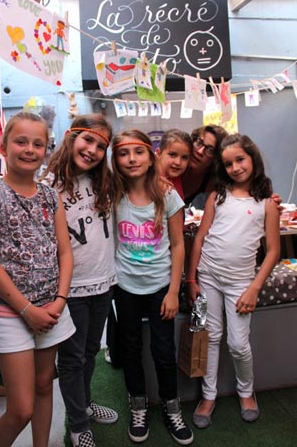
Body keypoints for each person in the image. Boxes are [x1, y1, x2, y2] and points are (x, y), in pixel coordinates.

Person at [0, 112, 75, 447]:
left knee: (44, 385)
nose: (29, 149)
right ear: (4, 146)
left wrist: (60, 301)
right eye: (21, 141)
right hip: (12, 313)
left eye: (38, 144)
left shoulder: (51, 197)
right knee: (20, 408)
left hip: (51, 309)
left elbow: (65, 252)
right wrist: (25, 310)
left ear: (46, 150)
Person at [186, 134, 280, 429]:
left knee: (238, 344)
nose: (235, 167)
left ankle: (246, 391)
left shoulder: (267, 203)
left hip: (241, 283)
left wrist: (254, 288)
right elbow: (201, 238)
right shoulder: (217, 196)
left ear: (252, 158)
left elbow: (274, 251)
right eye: (228, 163)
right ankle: (209, 395)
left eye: (240, 159)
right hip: (209, 277)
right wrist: (192, 278)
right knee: (211, 336)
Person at [111, 129, 193, 445]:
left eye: (138, 152)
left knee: (163, 350)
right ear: (115, 159)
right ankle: (138, 405)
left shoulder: (167, 195)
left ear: (151, 156)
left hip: (161, 286)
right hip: (126, 287)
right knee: (130, 348)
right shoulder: (112, 195)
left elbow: (177, 245)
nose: (131, 159)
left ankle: (172, 408)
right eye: (123, 153)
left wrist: (174, 291)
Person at [42, 114, 118, 447]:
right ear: (71, 137)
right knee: (71, 359)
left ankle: (85, 403)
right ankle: (77, 423)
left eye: (101, 146)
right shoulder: (47, 184)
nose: (93, 150)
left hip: (102, 283)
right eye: (88, 140)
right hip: (68, 290)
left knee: (91, 352)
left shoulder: (106, 182)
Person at [180, 125, 227, 209]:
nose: (200, 151)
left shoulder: (212, 182)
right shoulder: (174, 165)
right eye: (199, 143)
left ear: (216, 158)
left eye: (210, 150)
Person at [156, 129, 193, 202]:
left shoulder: (177, 177)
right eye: (172, 155)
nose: (178, 162)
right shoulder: (147, 179)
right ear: (158, 153)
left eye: (184, 157)